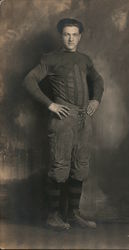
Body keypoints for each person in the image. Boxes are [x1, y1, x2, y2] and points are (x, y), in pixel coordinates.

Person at [23, 18, 104, 230]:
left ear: (80, 36)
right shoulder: (50, 58)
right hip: (63, 120)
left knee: (80, 167)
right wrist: (51, 105)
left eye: (74, 34)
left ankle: (73, 214)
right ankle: (53, 216)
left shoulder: (85, 59)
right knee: (60, 167)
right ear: (61, 36)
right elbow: (29, 81)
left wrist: (96, 100)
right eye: (66, 34)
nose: (70, 38)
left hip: (83, 119)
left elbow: (98, 81)